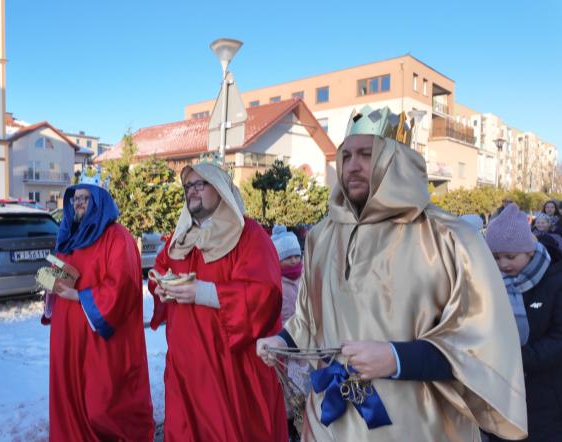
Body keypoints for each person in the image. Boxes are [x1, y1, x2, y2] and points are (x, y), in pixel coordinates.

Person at [256, 106, 527, 441]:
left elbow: (481, 341)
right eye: (347, 155)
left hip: (416, 426)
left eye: (367, 154)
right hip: (332, 422)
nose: (352, 166)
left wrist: (397, 358)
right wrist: (280, 341)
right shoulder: (321, 237)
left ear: (395, 158)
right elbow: (309, 318)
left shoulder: (450, 238)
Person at [148, 162, 287, 442]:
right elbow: (161, 268)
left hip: (229, 369)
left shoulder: (249, 235)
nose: (192, 191)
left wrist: (203, 292)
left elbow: (265, 293)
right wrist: (160, 286)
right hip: (184, 368)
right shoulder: (181, 237)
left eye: (201, 184)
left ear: (221, 189)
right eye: (188, 186)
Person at [45, 177, 154, 441]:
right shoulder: (70, 235)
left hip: (99, 338)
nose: (79, 204)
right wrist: (48, 283)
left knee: (101, 404)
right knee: (69, 394)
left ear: (99, 201)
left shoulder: (118, 237)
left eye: (85, 198)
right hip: (67, 334)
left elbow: (122, 287)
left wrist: (77, 296)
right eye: (75, 199)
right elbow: (58, 272)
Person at [486, 203, 562, 441]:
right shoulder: (490, 282)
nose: (503, 264)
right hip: (501, 394)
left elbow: (558, 338)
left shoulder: (555, 281)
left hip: (545, 395)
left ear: (529, 251)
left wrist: (517, 358)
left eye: (510, 256)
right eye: (496, 257)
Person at [271, 224, 307, 441]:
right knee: (286, 387)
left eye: (296, 255)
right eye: (288, 257)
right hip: (284, 346)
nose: (294, 260)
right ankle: (288, 424)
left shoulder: (305, 278)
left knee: (303, 383)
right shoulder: (276, 283)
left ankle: (303, 420)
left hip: (303, 345)